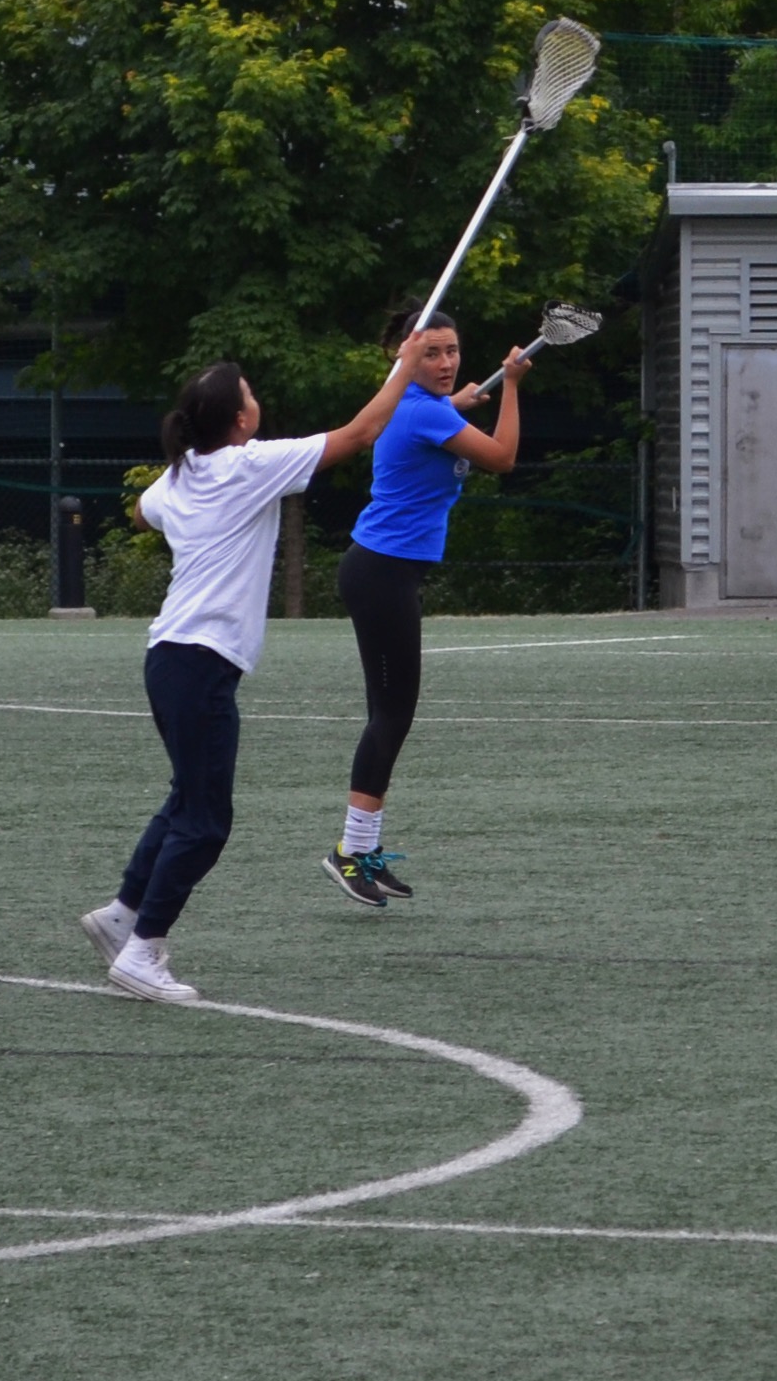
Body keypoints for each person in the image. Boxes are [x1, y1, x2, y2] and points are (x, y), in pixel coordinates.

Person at [79, 336, 429, 1002]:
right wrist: (405, 368)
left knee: (187, 797)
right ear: (239, 419)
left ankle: (124, 913)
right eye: (248, 395)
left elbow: (140, 512)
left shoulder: (186, 470)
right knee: (207, 821)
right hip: (200, 665)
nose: (255, 401)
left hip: (168, 659)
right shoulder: (251, 465)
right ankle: (143, 952)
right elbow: (360, 432)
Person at [325, 308, 532, 907]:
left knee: (391, 715)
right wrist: (511, 387)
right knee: (391, 716)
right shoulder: (419, 412)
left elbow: (440, 414)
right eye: (431, 354)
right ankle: (349, 852)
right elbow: (502, 458)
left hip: (386, 572)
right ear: (406, 359)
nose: (446, 364)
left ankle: (363, 849)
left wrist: (464, 399)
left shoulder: (419, 407)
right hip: (380, 574)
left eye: (452, 352)